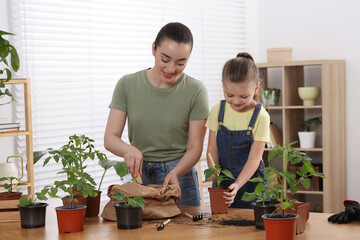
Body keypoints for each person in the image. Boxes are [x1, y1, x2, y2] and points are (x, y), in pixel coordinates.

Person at [104, 22, 209, 206]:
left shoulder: (196, 90)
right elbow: (110, 138)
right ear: (154, 48)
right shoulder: (127, 85)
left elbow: (195, 147)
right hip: (139, 173)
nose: (171, 69)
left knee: (184, 233)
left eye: (181, 63)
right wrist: (129, 150)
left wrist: (175, 172)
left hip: (178, 174)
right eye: (165, 59)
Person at [205, 52, 270, 208]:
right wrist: (212, 169)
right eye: (230, 95)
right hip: (224, 186)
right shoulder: (217, 110)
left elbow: (254, 159)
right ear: (223, 85)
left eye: (243, 96)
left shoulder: (261, 116)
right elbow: (212, 149)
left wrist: (238, 184)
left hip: (251, 187)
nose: (236, 101)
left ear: (256, 88)